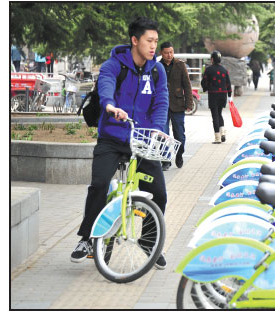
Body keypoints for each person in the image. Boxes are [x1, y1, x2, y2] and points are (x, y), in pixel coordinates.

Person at [70, 17, 169, 270]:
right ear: (135, 40)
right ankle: (87, 239)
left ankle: (150, 242)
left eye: (156, 41)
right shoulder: (114, 65)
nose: (153, 46)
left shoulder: (157, 70)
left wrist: (157, 131)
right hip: (112, 138)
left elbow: (161, 103)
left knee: (159, 193)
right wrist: (110, 105)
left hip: (142, 140)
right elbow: (106, 86)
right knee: (100, 184)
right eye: (149, 41)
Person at [159, 41, 193, 170]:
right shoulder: (157, 66)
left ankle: (179, 154)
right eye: (166, 52)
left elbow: (187, 85)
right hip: (161, 105)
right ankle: (166, 159)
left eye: (171, 52)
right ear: (161, 53)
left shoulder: (180, 65)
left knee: (179, 134)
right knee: (163, 134)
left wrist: (189, 103)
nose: (169, 55)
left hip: (178, 104)